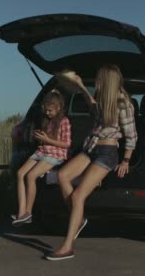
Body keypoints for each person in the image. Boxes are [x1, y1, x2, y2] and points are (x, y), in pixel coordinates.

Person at [45, 65, 137, 261]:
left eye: (98, 80)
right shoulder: (105, 102)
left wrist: (126, 160)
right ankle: (78, 219)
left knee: (78, 196)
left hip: (107, 153)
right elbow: (93, 106)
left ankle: (67, 246)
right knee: (62, 176)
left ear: (107, 82)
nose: (96, 83)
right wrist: (80, 86)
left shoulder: (123, 105)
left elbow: (131, 135)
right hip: (90, 149)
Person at [12, 90, 71, 227]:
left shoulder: (64, 121)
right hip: (41, 151)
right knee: (20, 173)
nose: (47, 113)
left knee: (31, 176)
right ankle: (21, 212)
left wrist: (47, 139)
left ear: (59, 108)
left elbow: (66, 144)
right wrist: (40, 137)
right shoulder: (47, 121)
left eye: (50, 110)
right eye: (45, 110)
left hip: (55, 154)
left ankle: (28, 212)